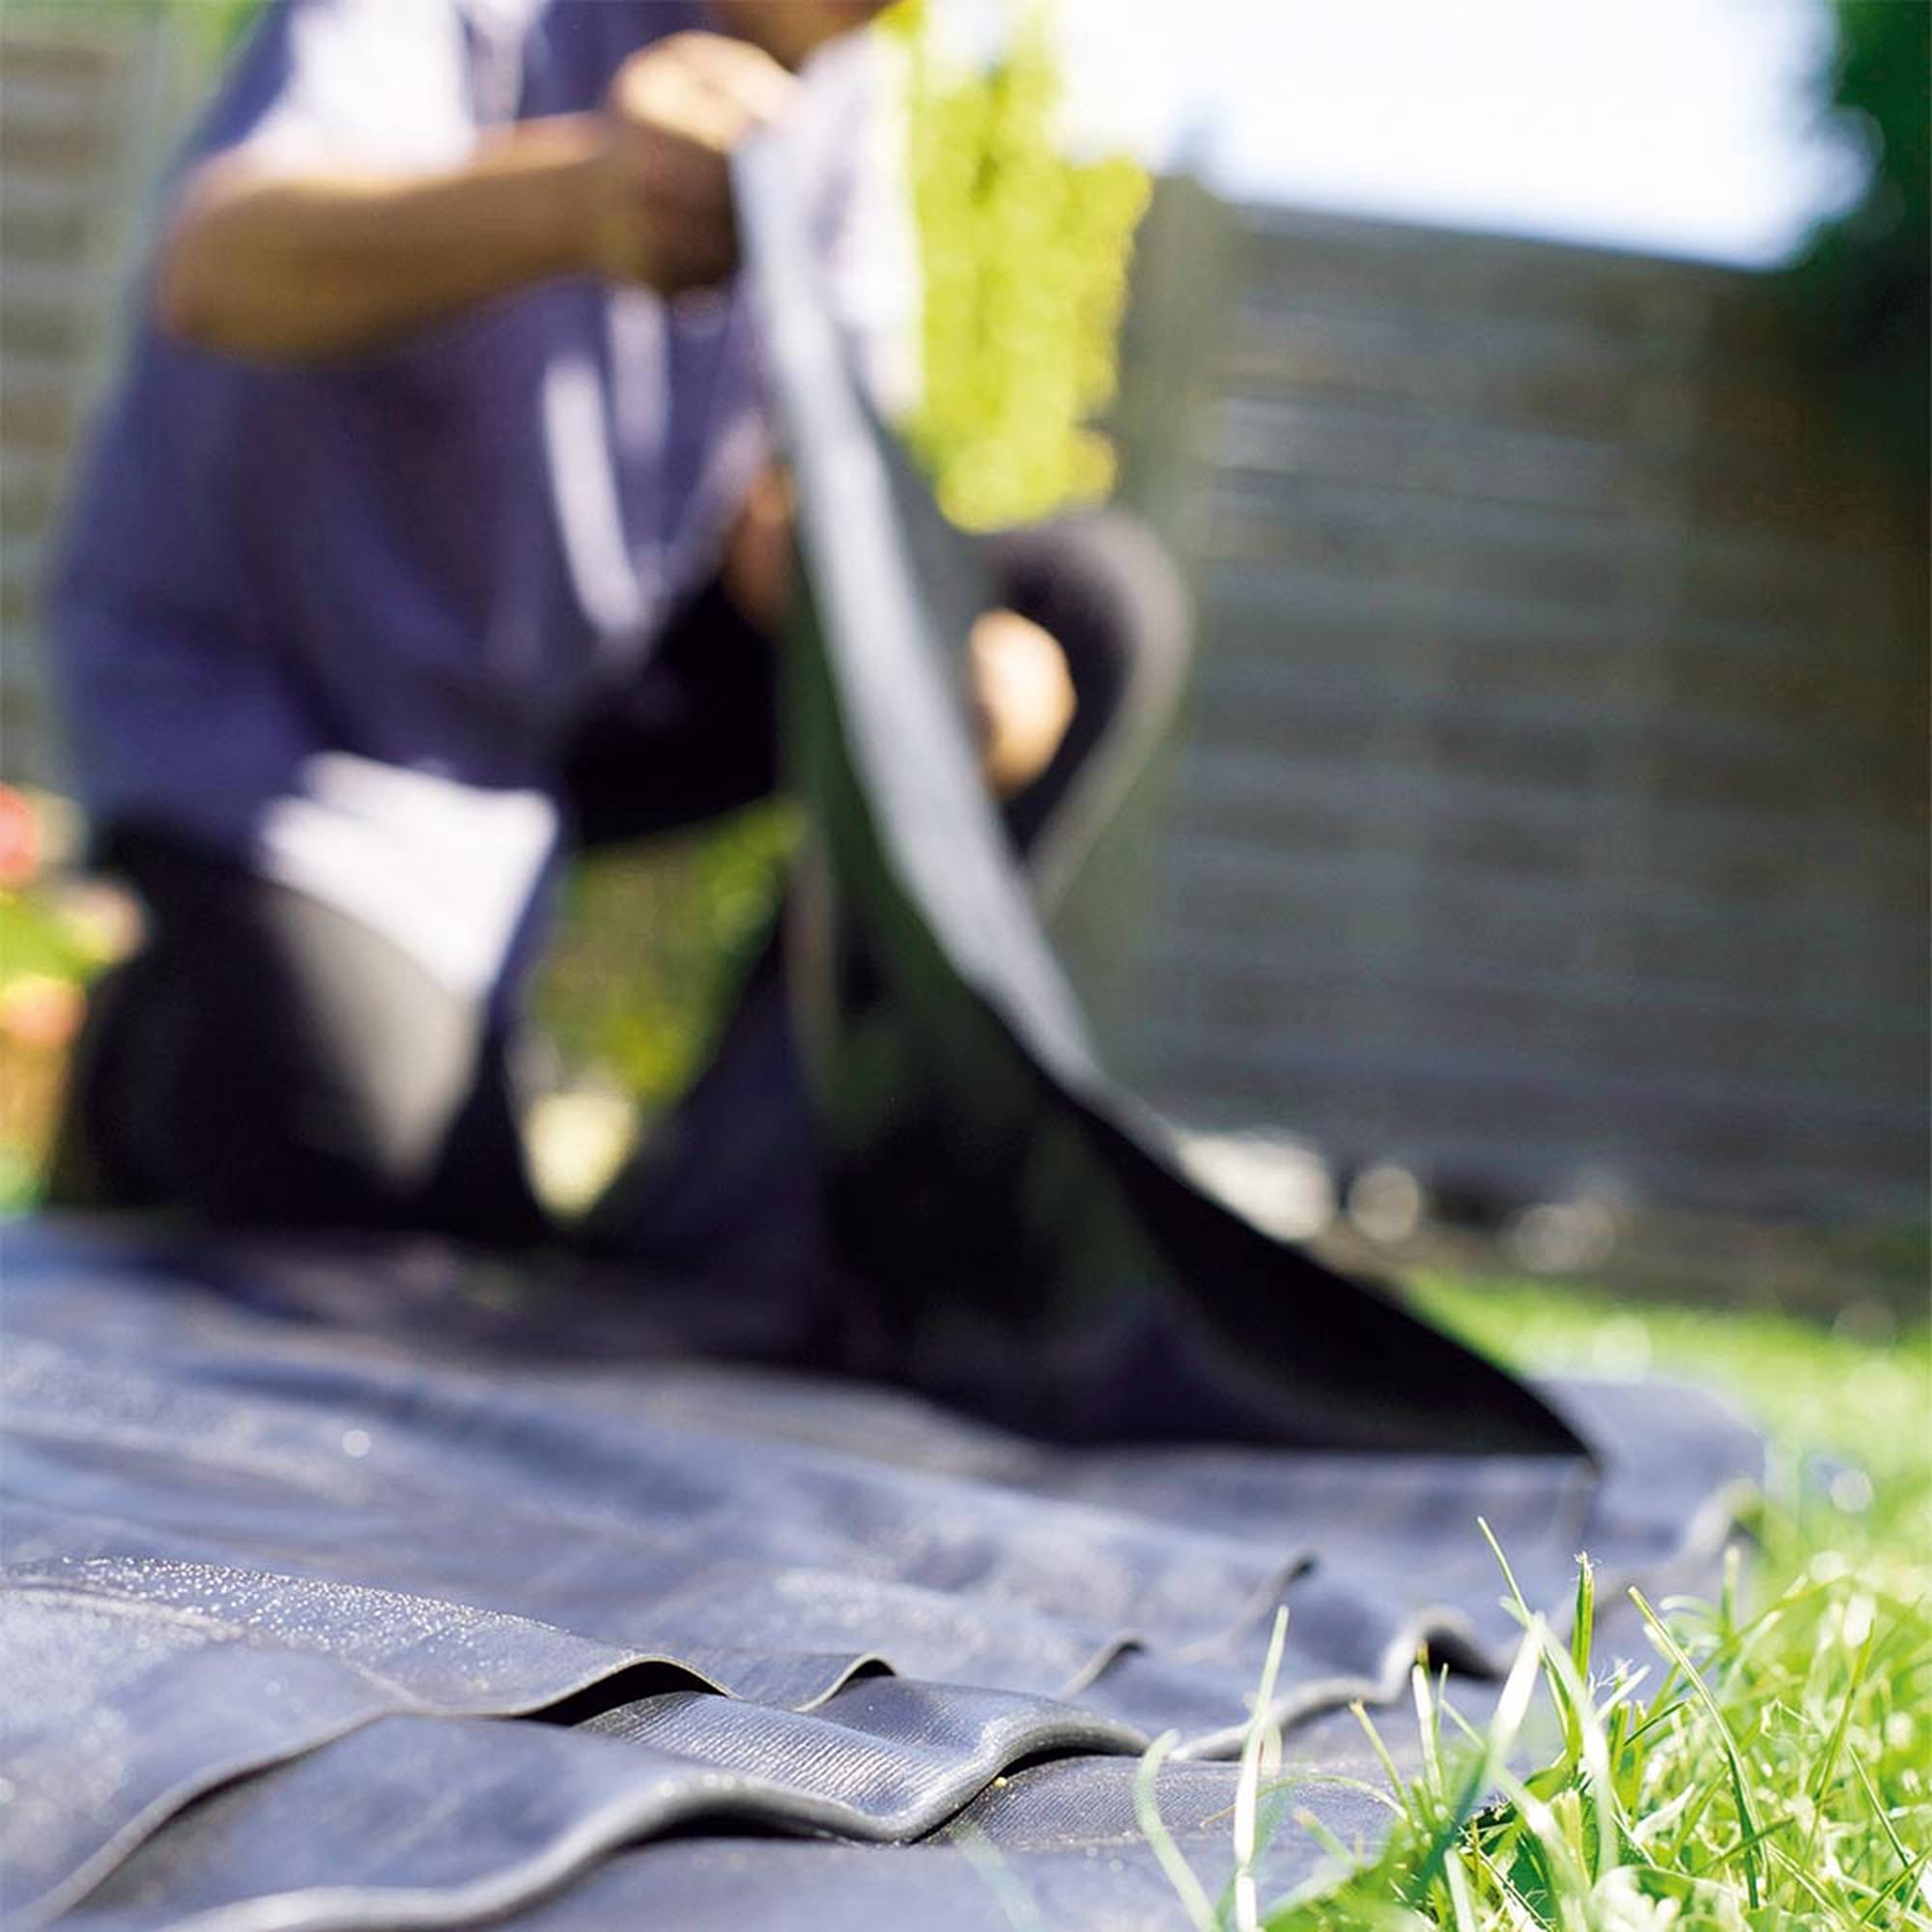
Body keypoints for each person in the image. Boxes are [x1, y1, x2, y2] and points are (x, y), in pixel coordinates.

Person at [47, 0, 1188, 1249]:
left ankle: (736, 1221)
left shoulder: (842, 84)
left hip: (552, 704)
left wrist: (928, 660)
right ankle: (159, 1040)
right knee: (405, 1226)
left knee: (1084, 610)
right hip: (277, 734)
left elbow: (786, 494)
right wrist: (578, 199)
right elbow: (224, 266)